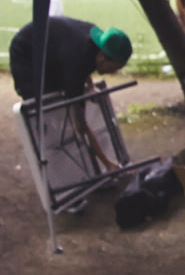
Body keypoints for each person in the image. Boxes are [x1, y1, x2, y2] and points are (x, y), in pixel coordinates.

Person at [9, 16, 132, 171]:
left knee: (65, 98)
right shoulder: (76, 63)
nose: (113, 73)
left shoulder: (96, 45)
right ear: (102, 58)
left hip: (52, 48)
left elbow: (86, 63)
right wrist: (108, 164)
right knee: (49, 107)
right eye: (113, 68)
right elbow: (81, 126)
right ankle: (52, 163)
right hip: (26, 55)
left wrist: (91, 87)